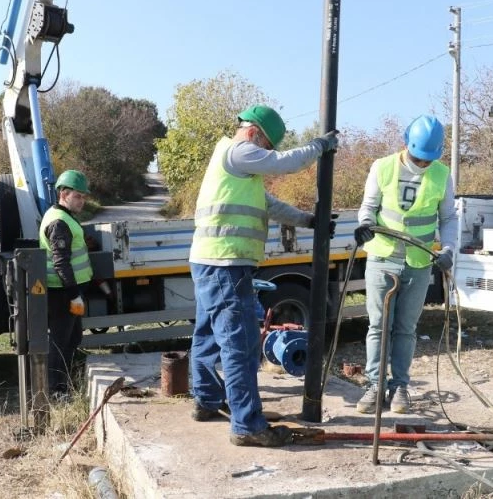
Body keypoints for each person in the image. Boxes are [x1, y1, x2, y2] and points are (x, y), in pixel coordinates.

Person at [188, 104, 339, 447]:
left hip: (209, 262)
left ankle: (207, 401)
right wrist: (319, 146)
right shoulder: (239, 150)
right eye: (267, 145)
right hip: (225, 264)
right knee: (240, 345)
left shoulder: (236, 168)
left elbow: (270, 205)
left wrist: (309, 220)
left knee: (207, 336)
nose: (266, 153)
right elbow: (284, 163)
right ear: (254, 132)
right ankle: (247, 426)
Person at [353, 115, 458, 414]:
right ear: (406, 143)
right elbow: (369, 206)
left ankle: (399, 386)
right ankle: (375, 385)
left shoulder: (442, 174)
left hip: (418, 262)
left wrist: (449, 249)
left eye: (428, 159)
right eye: (418, 157)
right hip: (383, 258)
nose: (422, 163)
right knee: (378, 326)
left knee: (405, 329)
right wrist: (365, 224)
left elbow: (448, 218)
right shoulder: (383, 167)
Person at [39, 169, 93, 398]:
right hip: (62, 293)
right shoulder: (59, 222)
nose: (82, 201)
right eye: (77, 196)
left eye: (83, 196)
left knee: (72, 338)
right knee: (61, 341)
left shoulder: (63, 216)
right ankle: (56, 390)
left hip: (68, 291)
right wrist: (74, 295)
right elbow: (61, 263)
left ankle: (65, 382)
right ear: (63, 194)